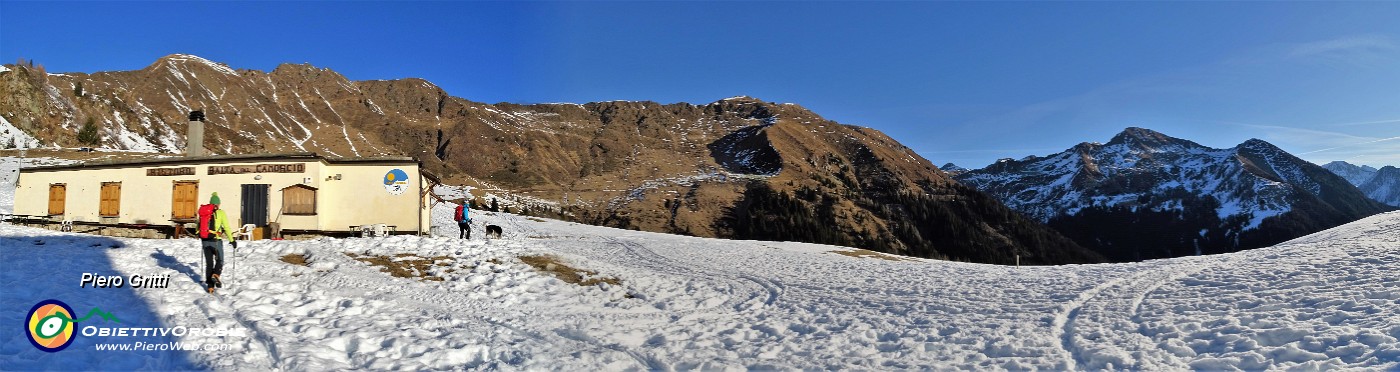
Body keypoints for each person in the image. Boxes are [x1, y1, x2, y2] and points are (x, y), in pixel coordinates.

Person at [198, 192, 235, 293]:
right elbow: (226, 227)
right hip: (216, 241)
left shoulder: (204, 212)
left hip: (205, 241)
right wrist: (232, 240)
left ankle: (210, 287)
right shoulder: (221, 213)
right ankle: (216, 274)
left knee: (209, 264)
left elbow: (199, 226)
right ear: (218, 204)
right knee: (220, 260)